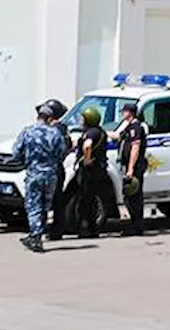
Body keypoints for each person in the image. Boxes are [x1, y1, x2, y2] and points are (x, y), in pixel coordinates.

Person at [12, 104, 68, 253]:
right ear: (49, 118)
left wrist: (27, 161)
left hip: (34, 173)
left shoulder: (27, 132)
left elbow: (16, 152)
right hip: (50, 174)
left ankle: (35, 236)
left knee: (33, 205)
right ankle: (37, 234)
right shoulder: (55, 133)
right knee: (45, 205)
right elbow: (62, 153)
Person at [38, 99, 72, 241]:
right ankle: (55, 229)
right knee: (56, 200)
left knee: (51, 200)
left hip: (51, 168)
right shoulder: (61, 128)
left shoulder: (55, 129)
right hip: (56, 167)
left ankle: (54, 230)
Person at [115, 103, 149, 237]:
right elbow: (119, 137)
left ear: (130, 112)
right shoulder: (129, 127)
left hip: (135, 167)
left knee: (133, 196)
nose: (122, 113)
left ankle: (137, 226)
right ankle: (135, 224)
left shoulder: (136, 127)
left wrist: (130, 169)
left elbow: (135, 147)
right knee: (130, 196)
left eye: (124, 111)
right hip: (130, 166)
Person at [75, 107, 108, 239]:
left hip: (90, 171)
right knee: (92, 200)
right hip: (98, 170)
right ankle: (93, 229)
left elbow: (87, 145)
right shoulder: (99, 131)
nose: (81, 120)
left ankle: (86, 229)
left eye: (83, 118)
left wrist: (86, 159)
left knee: (86, 200)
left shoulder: (92, 132)